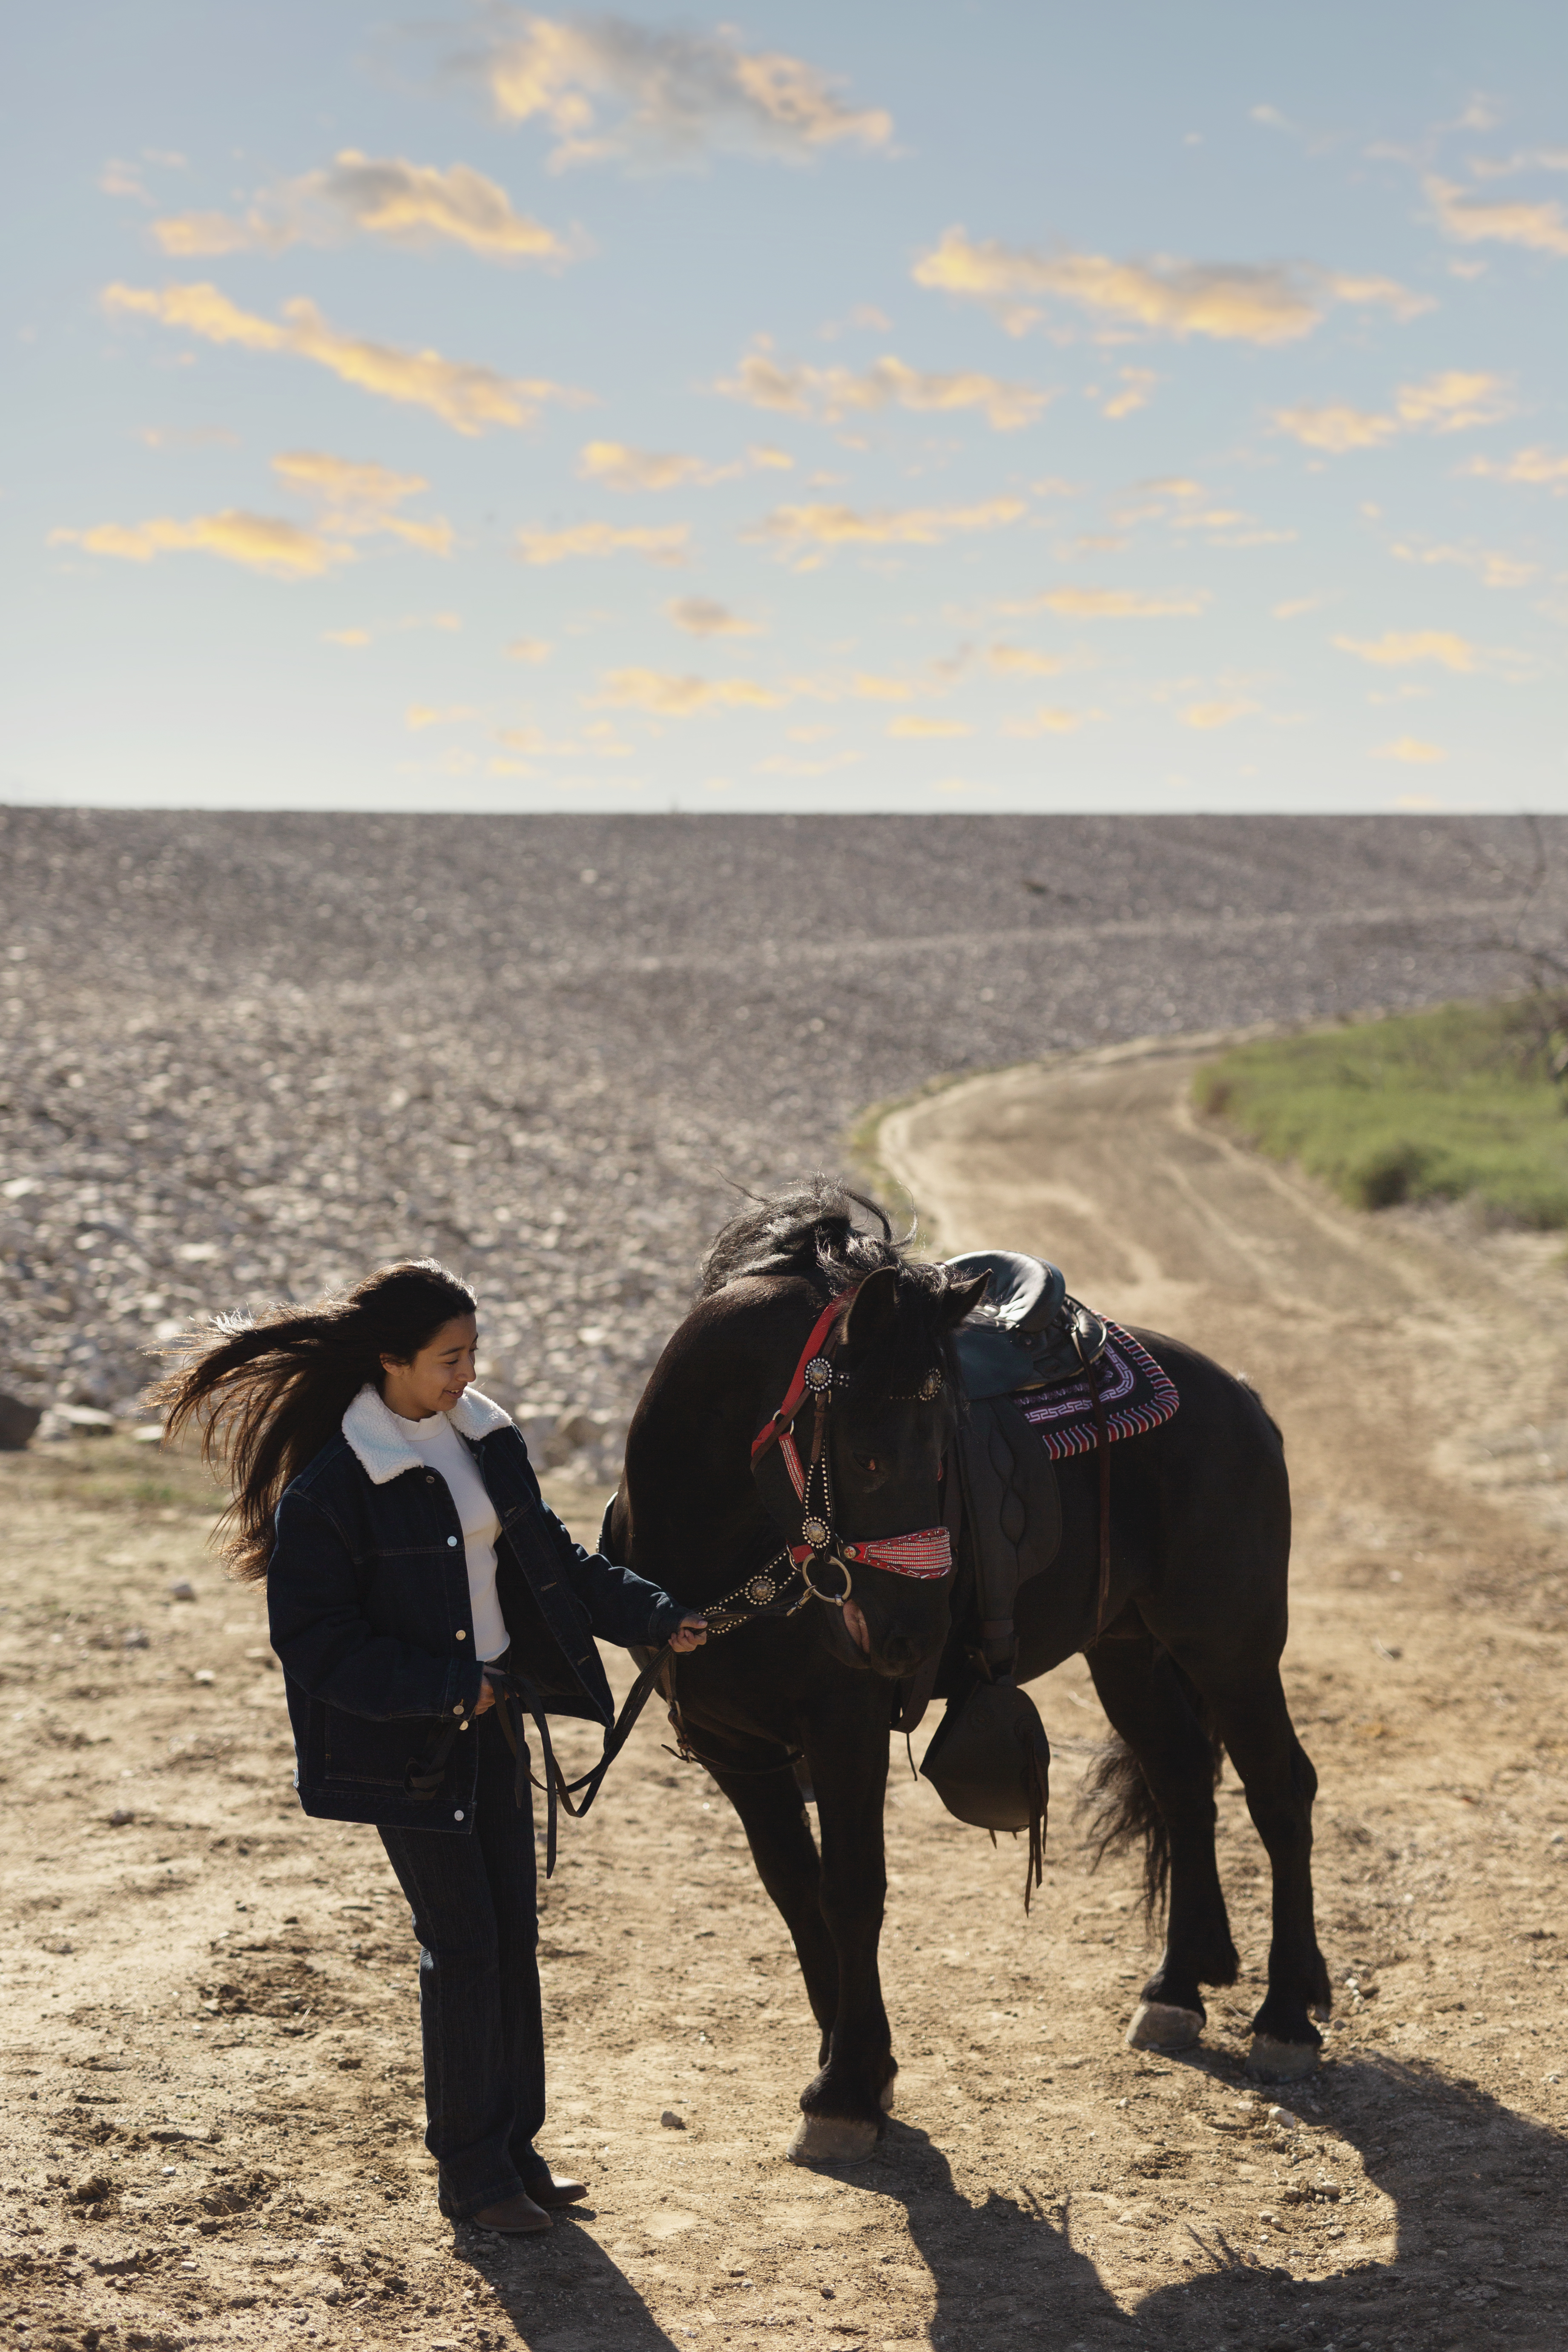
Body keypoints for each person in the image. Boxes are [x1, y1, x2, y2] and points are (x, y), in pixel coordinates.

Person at [153, 1259, 706, 2236]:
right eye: (450, 1356)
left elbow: (554, 1555)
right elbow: (317, 1645)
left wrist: (654, 1613)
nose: (467, 1371)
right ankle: (472, 2174)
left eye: (473, 1351)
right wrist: (452, 1685)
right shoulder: (332, 1486)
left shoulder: (481, 1437)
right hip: (405, 1747)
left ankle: (515, 2150)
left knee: (510, 1939)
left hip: (494, 1724)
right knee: (462, 1942)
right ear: (391, 1359)